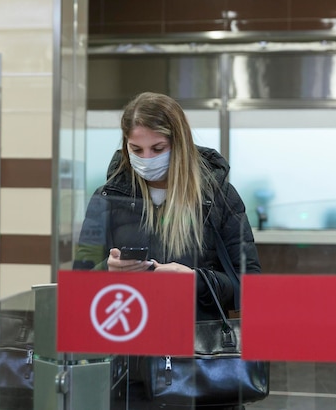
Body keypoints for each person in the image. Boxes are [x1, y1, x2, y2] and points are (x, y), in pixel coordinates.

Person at [73, 92, 261, 410]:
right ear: (125, 146)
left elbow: (251, 287)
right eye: (137, 149)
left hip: (201, 367)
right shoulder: (108, 198)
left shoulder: (219, 198)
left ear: (180, 144)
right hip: (128, 372)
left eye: (158, 149)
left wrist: (196, 280)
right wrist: (106, 270)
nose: (147, 158)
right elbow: (79, 288)